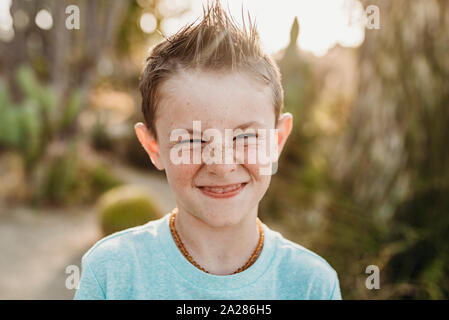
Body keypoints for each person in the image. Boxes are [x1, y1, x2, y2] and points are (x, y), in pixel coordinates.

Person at [74, 1, 341, 300]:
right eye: (192, 141)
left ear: (276, 141)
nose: (221, 164)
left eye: (246, 136)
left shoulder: (312, 285)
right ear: (153, 146)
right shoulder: (112, 273)